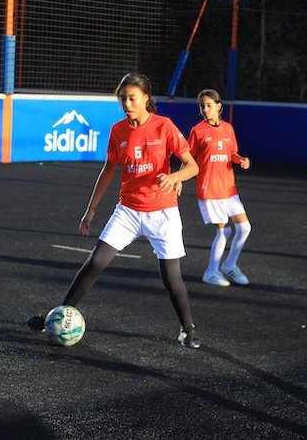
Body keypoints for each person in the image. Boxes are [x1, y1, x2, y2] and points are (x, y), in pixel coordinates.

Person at [26, 72, 202, 348]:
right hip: (128, 210)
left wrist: (174, 177)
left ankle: (187, 329)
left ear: (146, 97)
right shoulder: (118, 130)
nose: (127, 104)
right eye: (123, 99)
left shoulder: (164, 126)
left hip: (163, 212)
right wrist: (91, 208)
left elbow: (192, 166)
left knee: (171, 277)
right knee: (95, 262)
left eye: (132, 98)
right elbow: (108, 169)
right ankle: (59, 315)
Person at [187, 89, 252, 287]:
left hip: (229, 189)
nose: (205, 109)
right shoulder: (198, 131)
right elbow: (188, 158)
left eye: (209, 105)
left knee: (244, 228)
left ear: (218, 106)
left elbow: (232, 153)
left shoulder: (228, 129)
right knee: (224, 231)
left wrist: (241, 160)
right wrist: (178, 180)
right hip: (210, 190)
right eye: (202, 106)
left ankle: (229, 265)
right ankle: (210, 272)